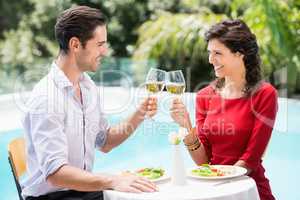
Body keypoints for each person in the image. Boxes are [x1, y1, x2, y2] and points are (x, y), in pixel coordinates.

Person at [22, 5, 158, 200]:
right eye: (100, 44)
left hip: (80, 193)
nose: (105, 51)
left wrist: (140, 113)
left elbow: (105, 142)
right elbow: (56, 174)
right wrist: (112, 180)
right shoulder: (47, 98)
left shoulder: (87, 86)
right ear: (75, 45)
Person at [171, 19, 278, 200]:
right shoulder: (205, 95)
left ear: (240, 53)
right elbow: (203, 162)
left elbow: (251, 160)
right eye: (210, 53)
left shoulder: (265, 94)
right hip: (215, 190)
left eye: (217, 53)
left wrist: (222, 188)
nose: (210, 60)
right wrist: (187, 128)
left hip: (248, 191)